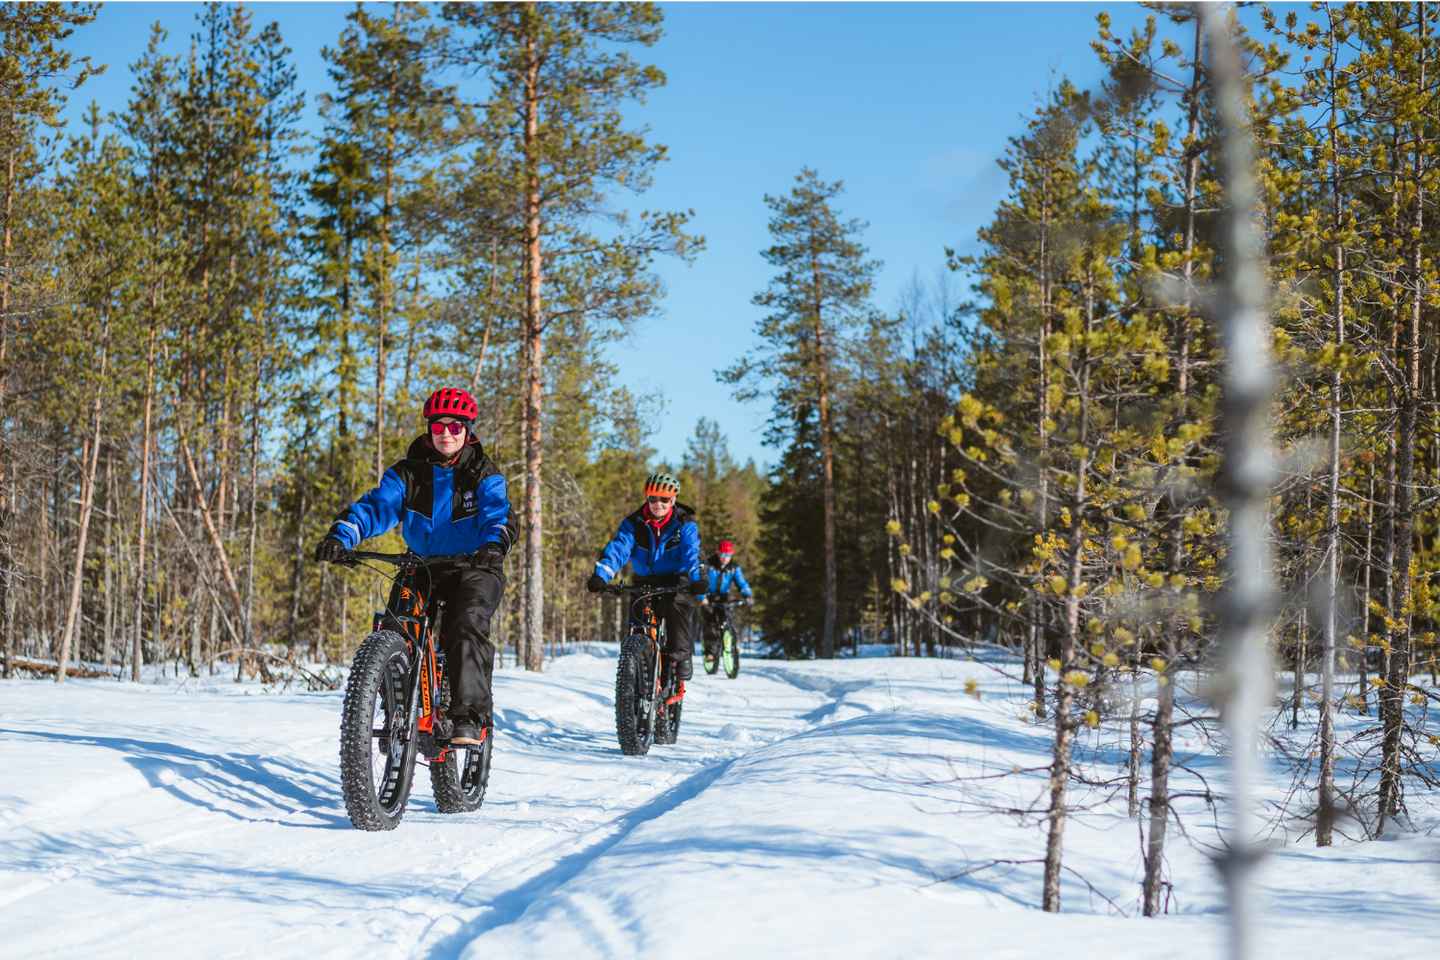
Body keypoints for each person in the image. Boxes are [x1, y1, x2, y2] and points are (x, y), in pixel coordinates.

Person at [314, 387, 515, 746]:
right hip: (421, 565)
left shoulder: (483, 473)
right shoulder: (408, 474)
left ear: (468, 430)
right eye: (439, 426)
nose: (447, 434)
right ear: (429, 428)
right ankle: (397, 714)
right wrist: (342, 536)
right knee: (395, 627)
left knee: (465, 624)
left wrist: (494, 544)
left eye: (456, 427)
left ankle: (468, 715)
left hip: (474, 566)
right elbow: (377, 507)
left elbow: (497, 513)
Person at [586, 472, 705, 680]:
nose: (658, 504)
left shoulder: (685, 524)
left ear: (673, 499)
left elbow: (691, 555)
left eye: (664, 499)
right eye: (652, 498)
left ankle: (681, 656)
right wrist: (601, 576)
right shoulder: (634, 523)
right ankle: (635, 679)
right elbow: (618, 550)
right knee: (637, 626)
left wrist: (697, 580)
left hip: (675, 580)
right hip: (645, 581)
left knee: (678, 607)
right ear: (647, 498)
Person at [701, 539, 752, 672]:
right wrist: (702, 597)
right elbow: (699, 580)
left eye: (728, 556)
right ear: (718, 553)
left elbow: (742, 583)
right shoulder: (708, 564)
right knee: (711, 624)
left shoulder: (734, 568)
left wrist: (747, 595)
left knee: (728, 621)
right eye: (723, 555)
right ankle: (710, 653)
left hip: (724, 598)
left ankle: (732, 644)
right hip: (708, 598)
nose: (725, 559)